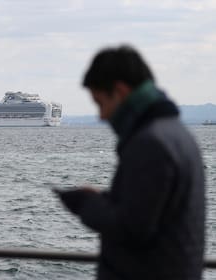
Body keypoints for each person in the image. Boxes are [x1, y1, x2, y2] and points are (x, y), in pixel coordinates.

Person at [55, 45, 205, 280]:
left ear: (120, 91)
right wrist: (108, 200)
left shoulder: (150, 143)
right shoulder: (179, 135)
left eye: (100, 103)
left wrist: (88, 203)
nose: (101, 116)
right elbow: (153, 212)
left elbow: (132, 230)